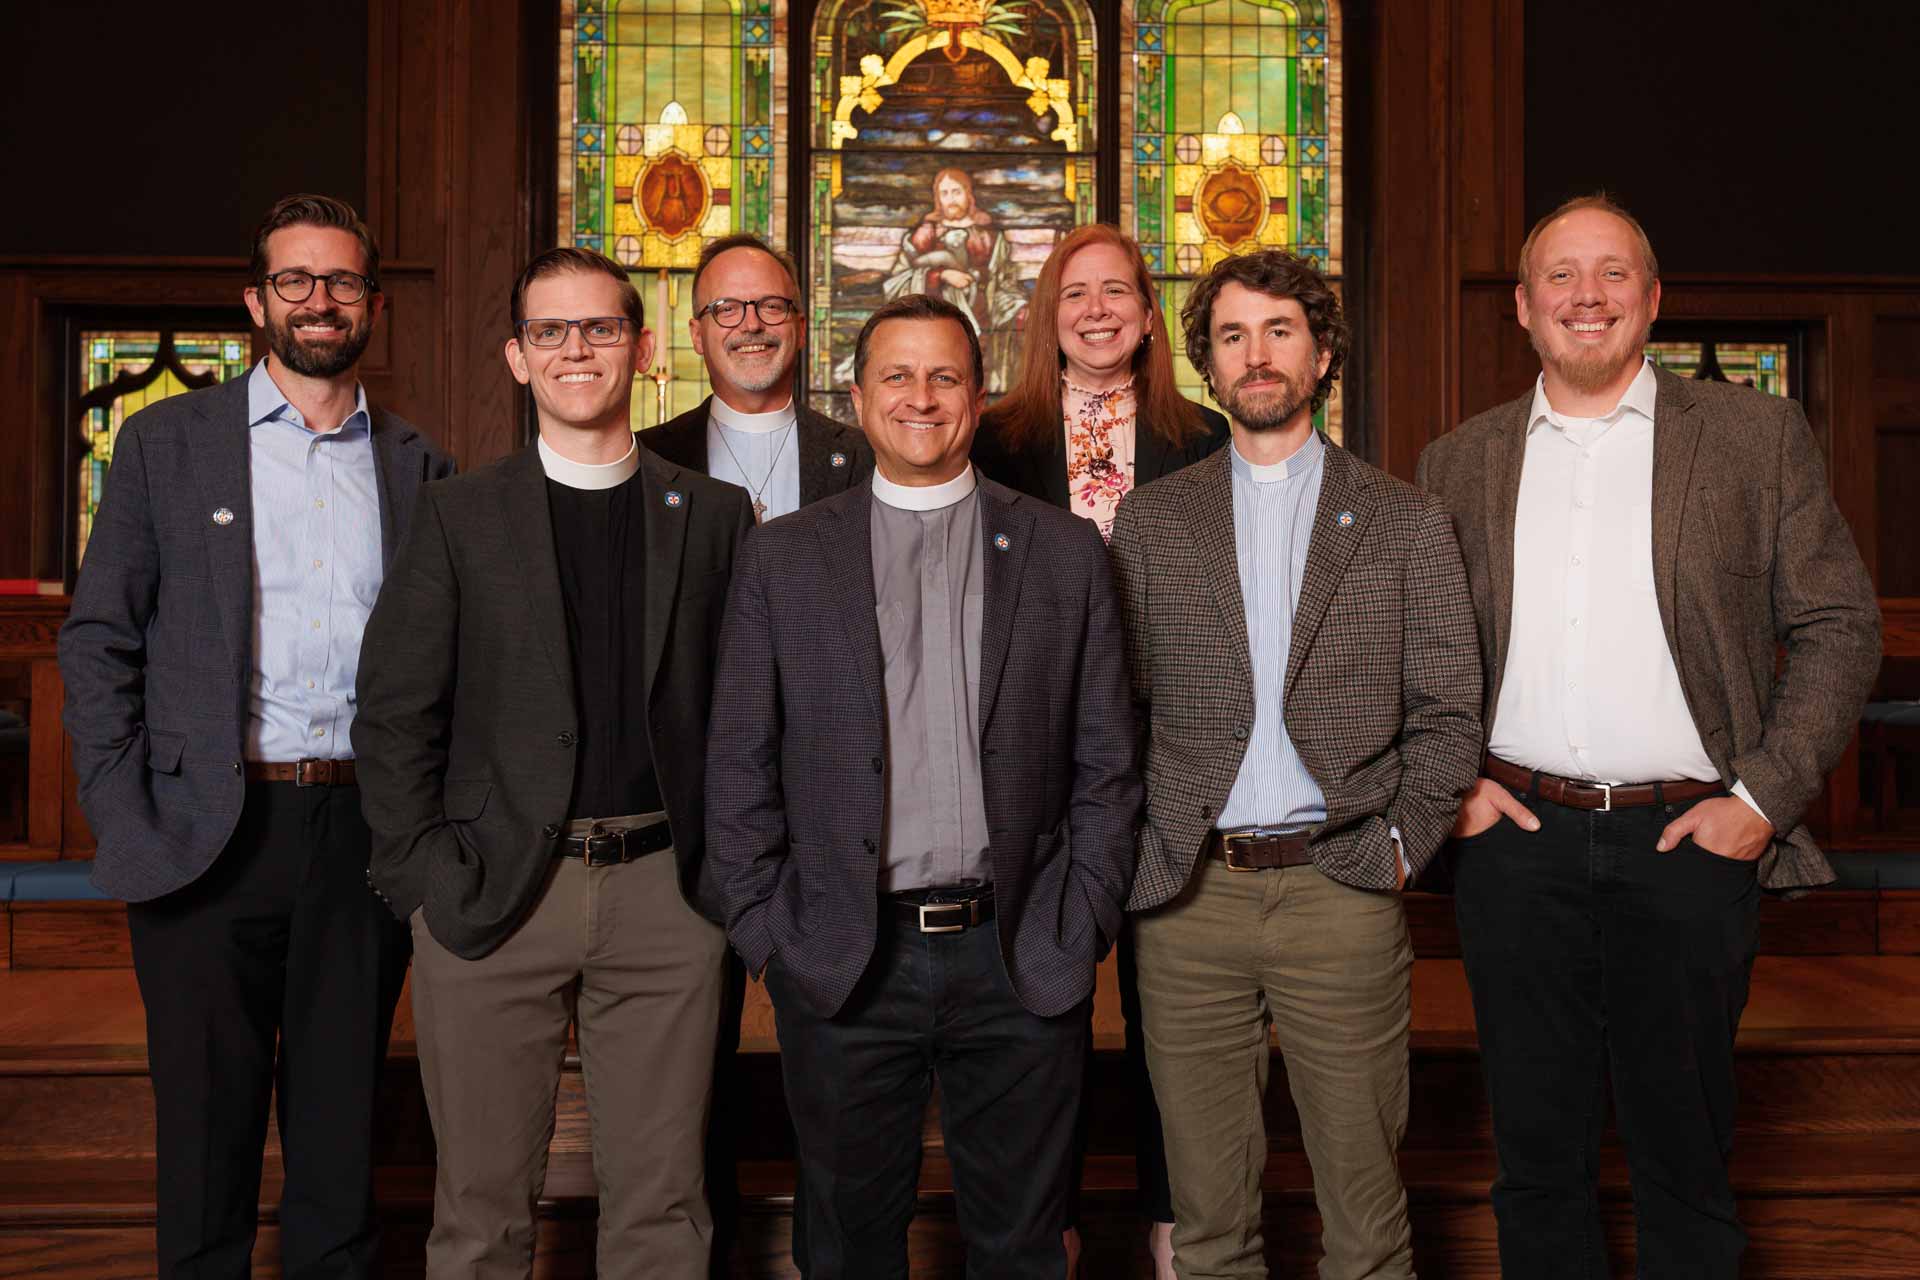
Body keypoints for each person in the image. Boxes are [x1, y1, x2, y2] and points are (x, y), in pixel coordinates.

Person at [1416, 194, 1881, 1279]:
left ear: (1654, 299)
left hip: (1689, 841)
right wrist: (1459, 794)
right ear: (1524, 309)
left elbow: (1839, 623)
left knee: (1685, 1157)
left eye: (1614, 273)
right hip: (1514, 843)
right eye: (1563, 277)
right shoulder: (1459, 462)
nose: (1589, 295)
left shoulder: (1753, 438)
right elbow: (1416, 651)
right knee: (1535, 1159)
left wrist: (1761, 798)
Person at [705, 293, 1141, 1279]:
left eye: (945, 374)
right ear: (857, 398)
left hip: (1020, 951)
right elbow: (737, 766)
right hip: (846, 957)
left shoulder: (1063, 551)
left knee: (1023, 1247)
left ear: (978, 397)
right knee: (847, 1247)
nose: (921, 396)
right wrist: (774, 934)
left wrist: (1081, 921)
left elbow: (1107, 761)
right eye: (896, 375)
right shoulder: (783, 557)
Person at [58, 193, 452, 1278]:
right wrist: (122, 812)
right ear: (255, 301)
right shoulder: (165, 444)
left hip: (361, 834)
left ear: (372, 303)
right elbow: (97, 643)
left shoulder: (419, 466)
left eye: (340, 282)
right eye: (296, 279)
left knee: (341, 1125)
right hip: (203, 828)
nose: (319, 300)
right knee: (204, 1125)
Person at [354, 246, 753, 1279]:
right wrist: (423, 882)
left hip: (668, 894)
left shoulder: (710, 517)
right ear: (518, 358)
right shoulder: (458, 513)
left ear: (644, 348)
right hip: (492, 892)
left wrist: (725, 883)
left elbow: (748, 709)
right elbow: (396, 713)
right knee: (480, 1214)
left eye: (600, 328)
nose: (577, 349)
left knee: (664, 1210)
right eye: (551, 332)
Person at [1110, 248, 1482, 1280]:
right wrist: (1144, 851)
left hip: (1343, 887)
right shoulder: (1151, 521)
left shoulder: (1405, 518)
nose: (1257, 355)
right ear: (1207, 365)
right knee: (1211, 1225)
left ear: (1321, 354)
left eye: (1279, 331)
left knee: (1367, 1225)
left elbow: (1449, 711)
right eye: (1232, 335)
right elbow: (1117, 715)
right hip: (1190, 901)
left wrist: (1401, 847)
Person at [972, 221, 1228, 1278]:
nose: (1095, 309)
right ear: (1045, 315)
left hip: (1174, 745)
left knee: (1171, 1003)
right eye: (1073, 293)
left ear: (1149, 310)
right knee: (1047, 996)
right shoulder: (993, 437)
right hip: (1037, 746)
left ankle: (1178, 1219)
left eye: (1116, 290)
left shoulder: (1206, 437)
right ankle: (1053, 1221)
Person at [647, 233, 872, 525]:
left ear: (801, 329)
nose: (752, 325)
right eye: (726, 308)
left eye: (772, 306)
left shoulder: (863, 455)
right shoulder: (651, 457)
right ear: (697, 336)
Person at [883, 168, 1027, 391]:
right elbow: (897, 283)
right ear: (937, 198)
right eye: (945, 193)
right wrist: (939, 276)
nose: (951, 199)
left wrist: (1017, 309)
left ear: (968, 194)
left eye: (956, 191)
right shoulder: (923, 234)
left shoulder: (989, 236)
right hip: (927, 334)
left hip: (982, 329)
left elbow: (1003, 283)